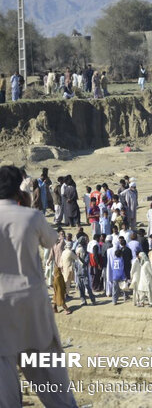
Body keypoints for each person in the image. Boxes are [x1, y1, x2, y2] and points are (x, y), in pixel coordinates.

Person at [0, 166, 78, 407]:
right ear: (19, 189)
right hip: (32, 302)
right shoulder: (32, 217)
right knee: (47, 371)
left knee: (4, 376)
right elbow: (51, 241)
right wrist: (28, 203)